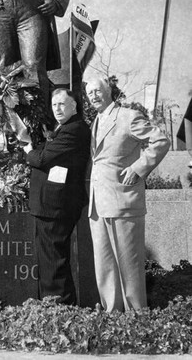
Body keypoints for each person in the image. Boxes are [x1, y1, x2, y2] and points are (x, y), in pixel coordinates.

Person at [85, 77, 170, 312]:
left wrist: (138, 168)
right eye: (89, 93)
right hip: (97, 204)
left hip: (123, 201)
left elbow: (161, 141)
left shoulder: (128, 116)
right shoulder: (95, 121)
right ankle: (113, 317)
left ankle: (136, 317)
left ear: (109, 91)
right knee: (104, 265)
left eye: (98, 91)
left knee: (129, 265)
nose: (93, 96)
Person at [23, 89, 91, 304]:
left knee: (54, 262)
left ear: (74, 106)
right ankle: (56, 307)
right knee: (50, 261)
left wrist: (27, 149)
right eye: (54, 105)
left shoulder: (74, 129)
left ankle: (59, 310)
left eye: (62, 104)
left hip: (56, 206)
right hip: (51, 205)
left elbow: (42, 159)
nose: (58, 109)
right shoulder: (64, 128)